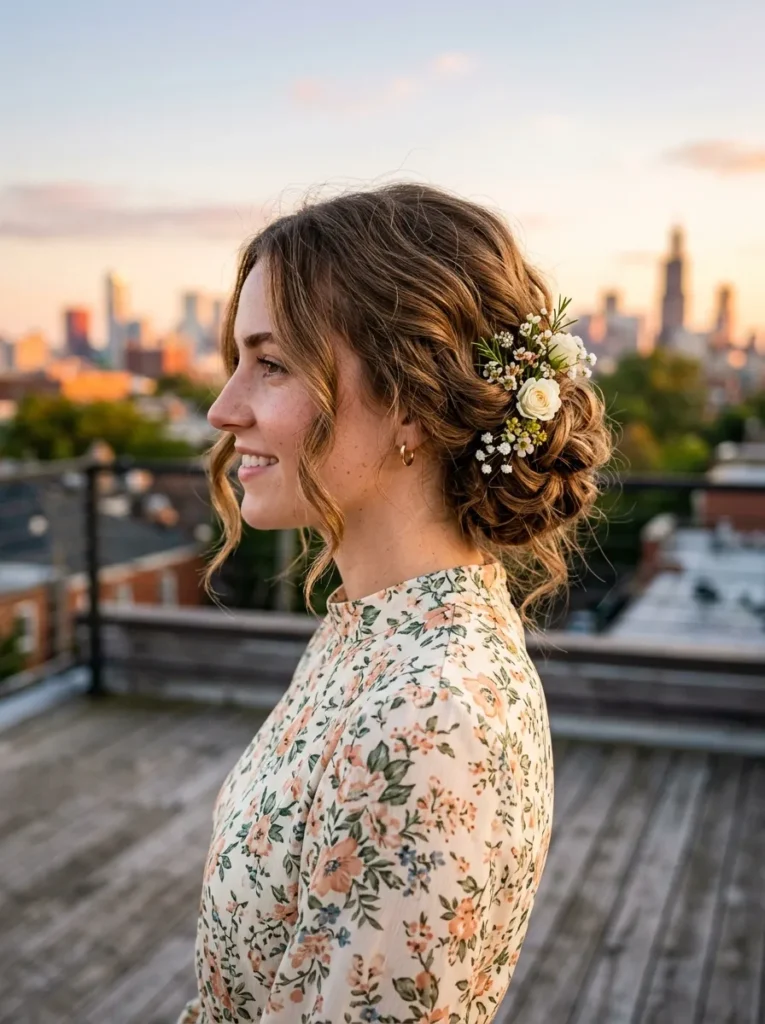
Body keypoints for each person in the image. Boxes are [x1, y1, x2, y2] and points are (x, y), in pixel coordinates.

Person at [177, 182, 611, 1024]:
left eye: (271, 364)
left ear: (410, 397)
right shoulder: (376, 631)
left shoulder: (428, 716)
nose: (222, 408)